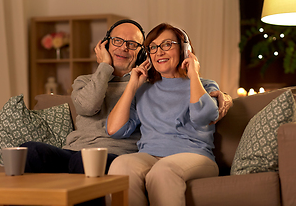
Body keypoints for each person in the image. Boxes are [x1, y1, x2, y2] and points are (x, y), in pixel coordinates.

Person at [21, 19, 232, 175]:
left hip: (116, 155)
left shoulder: (147, 84)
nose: (123, 47)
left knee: (85, 162)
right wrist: (104, 67)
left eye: (132, 44)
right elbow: (88, 106)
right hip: (73, 151)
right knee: (30, 151)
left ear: (141, 53)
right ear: (105, 45)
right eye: (117, 41)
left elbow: (180, 92)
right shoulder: (86, 81)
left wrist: (222, 95)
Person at [106, 23, 221, 206]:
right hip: (150, 155)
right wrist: (132, 85)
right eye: (153, 47)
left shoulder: (205, 85)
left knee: (163, 170)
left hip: (195, 156)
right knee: (121, 165)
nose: (159, 52)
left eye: (167, 44)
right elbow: (114, 129)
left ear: (185, 50)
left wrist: (193, 75)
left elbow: (203, 117)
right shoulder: (143, 90)